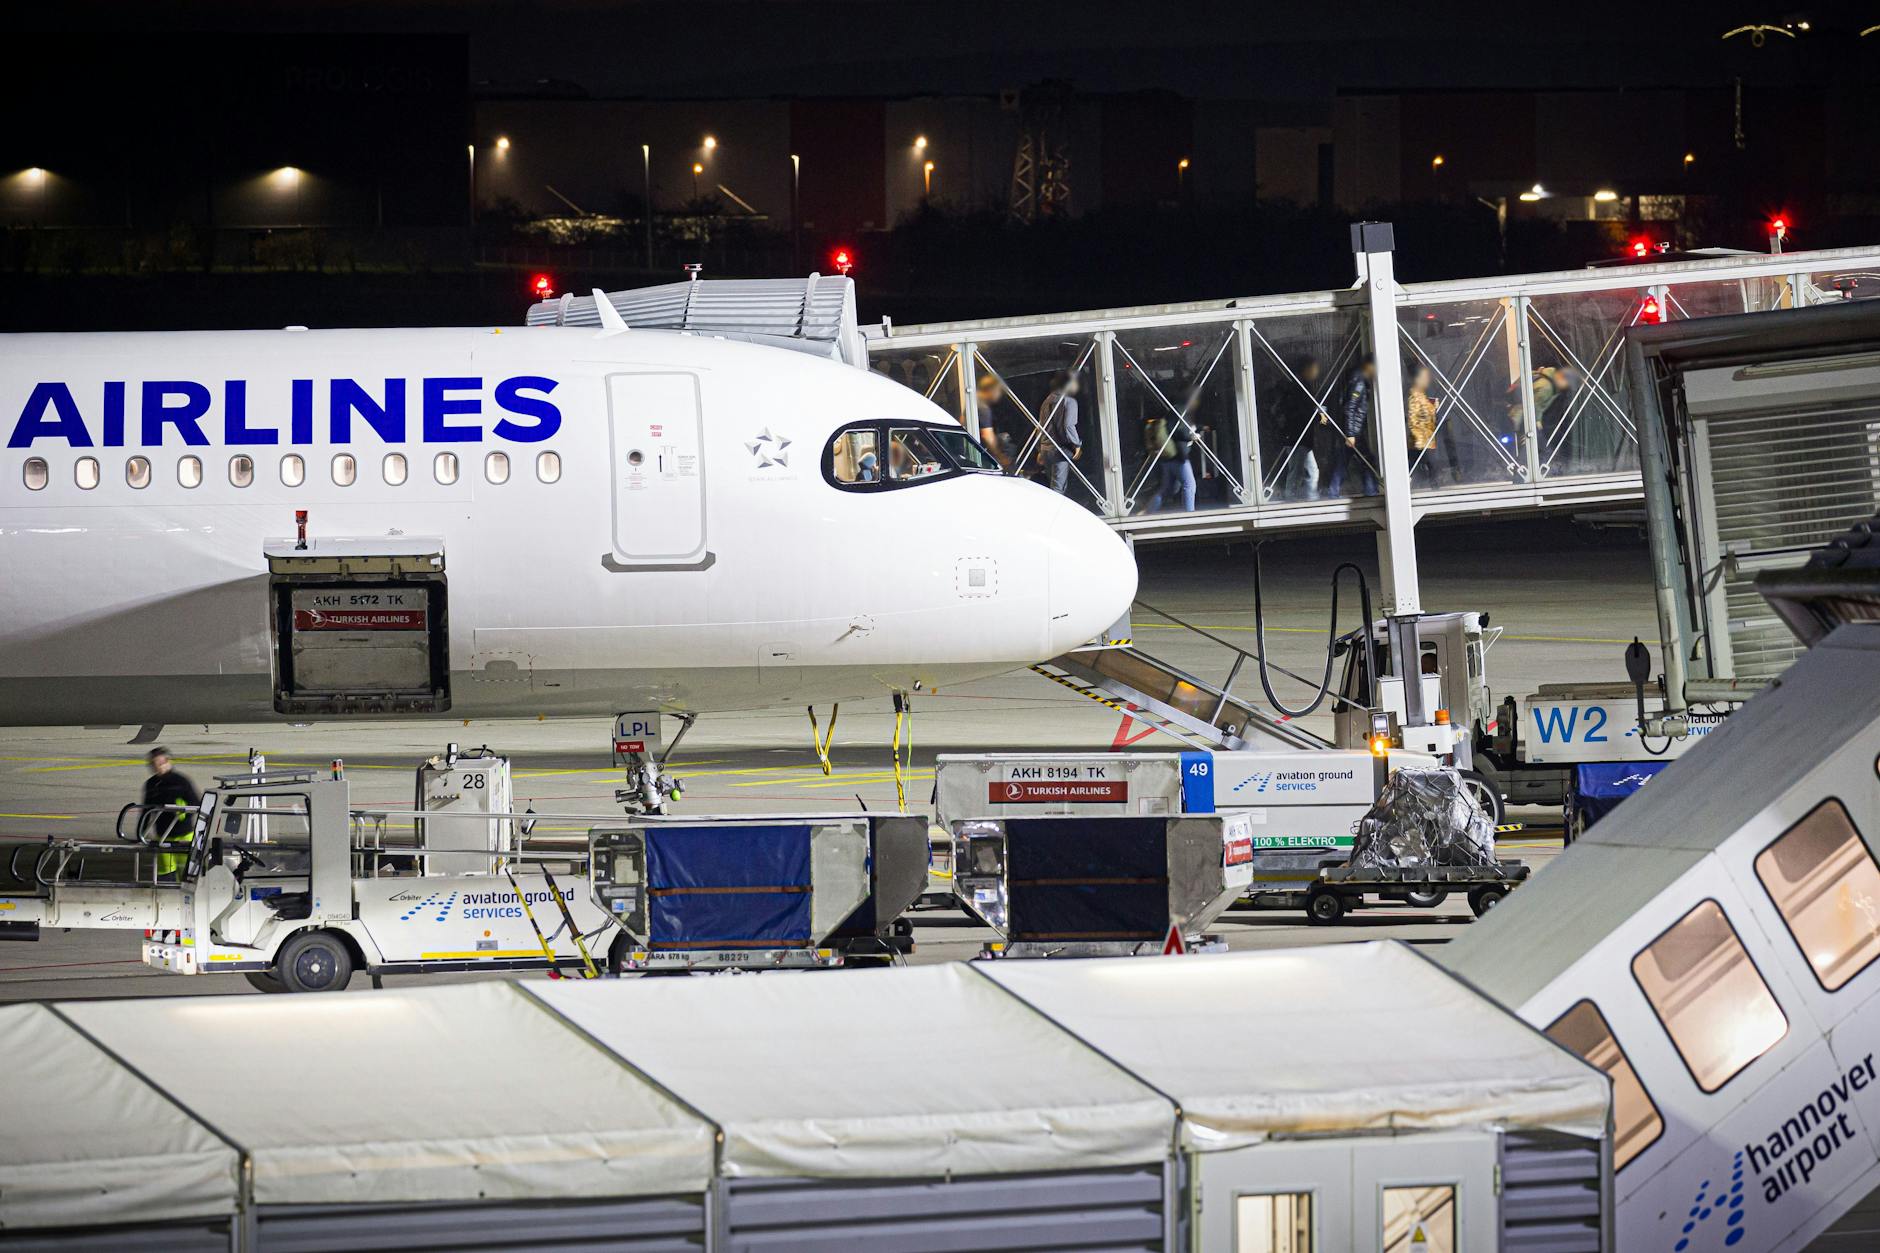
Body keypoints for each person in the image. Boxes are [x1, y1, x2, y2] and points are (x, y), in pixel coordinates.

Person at [141, 747, 200, 878]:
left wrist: (183, 813)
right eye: (154, 764)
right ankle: (166, 894)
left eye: (159, 763)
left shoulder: (181, 781)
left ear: (167, 761)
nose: (157, 767)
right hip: (162, 835)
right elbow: (146, 810)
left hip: (183, 835)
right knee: (164, 872)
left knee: (186, 872)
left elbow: (196, 803)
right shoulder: (151, 784)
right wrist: (140, 833)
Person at [1404, 363, 1462, 486]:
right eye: (1425, 377)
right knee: (1431, 467)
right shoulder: (1414, 396)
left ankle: (1430, 485)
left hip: (1424, 439)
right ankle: (1434, 487)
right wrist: (1433, 408)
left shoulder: (1419, 395)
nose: (1427, 380)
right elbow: (1416, 417)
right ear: (1417, 379)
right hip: (1421, 440)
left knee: (1425, 466)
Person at [1328, 356, 1378, 496]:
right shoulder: (1359, 382)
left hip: (1354, 431)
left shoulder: (1357, 379)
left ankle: (1333, 491)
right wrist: (1350, 434)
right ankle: (1371, 491)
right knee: (1366, 461)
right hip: (1354, 432)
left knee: (1343, 462)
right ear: (1368, 366)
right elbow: (1350, 407)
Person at [1145, 402, 1198, 513]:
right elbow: (1180, 433)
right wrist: (1192, 437)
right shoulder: (1180, 412)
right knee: (1189, 484)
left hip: (1166, 458)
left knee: (1166, 489)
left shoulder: (1167, 417)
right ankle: (1190, 514)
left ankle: (1150, 511)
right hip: (1179, 458)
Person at [1037, 370, 1083, 496]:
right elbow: (1068, 426)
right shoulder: (1069, 402)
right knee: (1058, 489)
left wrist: (1039, 450)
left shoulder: (1046, 401)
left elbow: (1040, 427)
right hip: (1059, 450)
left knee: (1052, 486)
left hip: (1045, 448)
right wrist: (1077, 445)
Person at [974, 374, 1013, 471]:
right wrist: (1000, 456)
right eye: (999, 391)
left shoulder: (972, 401)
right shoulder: (982, 408)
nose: (999, 395)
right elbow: (987, 435)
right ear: (991, 390)